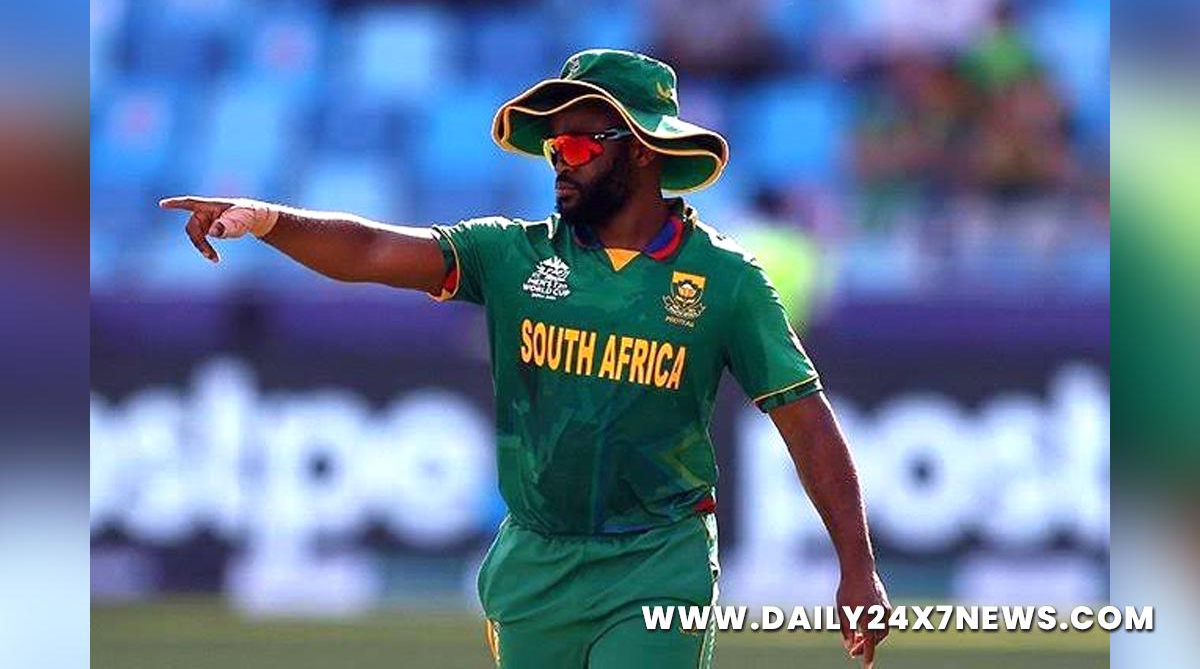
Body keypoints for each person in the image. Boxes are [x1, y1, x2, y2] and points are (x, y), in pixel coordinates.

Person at [160, 48, 890, 669]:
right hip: (534, 565)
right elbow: (373, 249)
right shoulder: (511, 254)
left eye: (579, 147)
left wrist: (857, 567)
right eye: (553, 148)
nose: (559, 163)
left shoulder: (727, 281)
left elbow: (805, 420)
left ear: (642, 148)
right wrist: (269, 219)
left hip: (657, 562)